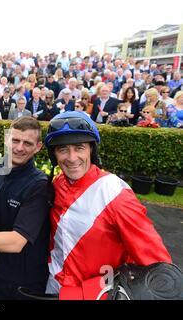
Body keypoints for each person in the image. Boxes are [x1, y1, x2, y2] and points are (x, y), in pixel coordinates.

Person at [44, 111, 171, 299]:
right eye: (63, 149)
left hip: (99, 294)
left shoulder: (115, 193)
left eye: (79, 148)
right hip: (54, 287)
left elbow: (159, 267)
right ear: (54, 155)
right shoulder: (56, 184)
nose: (71, 158)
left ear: (92, 151)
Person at [0, 116, 50, 299]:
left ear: (38, 147)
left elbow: (16, 242)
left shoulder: (39, 185)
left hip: (26, 283)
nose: (20, 148)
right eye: (15, 140)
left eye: (27, 143)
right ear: (6, 139)